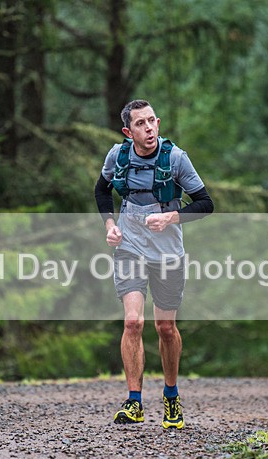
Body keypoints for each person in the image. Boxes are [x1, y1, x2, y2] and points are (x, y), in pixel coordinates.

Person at [94, 99, 214, 429]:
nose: (148, 129)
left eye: (152, 122)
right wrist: (110, 226)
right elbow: (102, 189)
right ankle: (134, 402)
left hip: (168, 254)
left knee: (165, 328)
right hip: (130, 248)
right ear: (127, 131)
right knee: (133, 322)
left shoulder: (176, 159)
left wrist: (172, 218)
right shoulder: (117, 156)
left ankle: (171, 397)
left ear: (158, 123)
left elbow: (206, 203)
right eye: (140, 124)